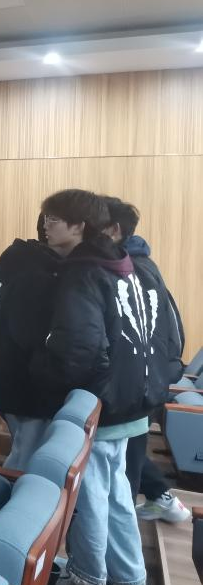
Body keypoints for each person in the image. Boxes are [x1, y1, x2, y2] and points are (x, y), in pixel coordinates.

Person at [29, 189, 155, 585]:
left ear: (79, 226)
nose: (46, 226)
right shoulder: (123, 263)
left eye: (53, 219)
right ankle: (130, 578)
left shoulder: (83, 272)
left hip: (101, 402)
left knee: (90, 496)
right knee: (116, 492)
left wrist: (40, 365)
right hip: (127, 398)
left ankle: (88, 579)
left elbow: (79, 350)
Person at [102, 197, 190, 523]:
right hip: (149, 380)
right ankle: (161, 498)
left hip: (139, 383)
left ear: (113, 230)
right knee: (128, 459)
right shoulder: (142, 264)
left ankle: (122, 549)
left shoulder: (132, 270)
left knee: (125, 474)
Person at [0, 214, 63, 469]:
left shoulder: (28, 265)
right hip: (27, 384)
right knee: (28, 457)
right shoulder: (37, 275)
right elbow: (30, 337)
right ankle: (12, 495)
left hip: (16, 381)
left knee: (25, 451)